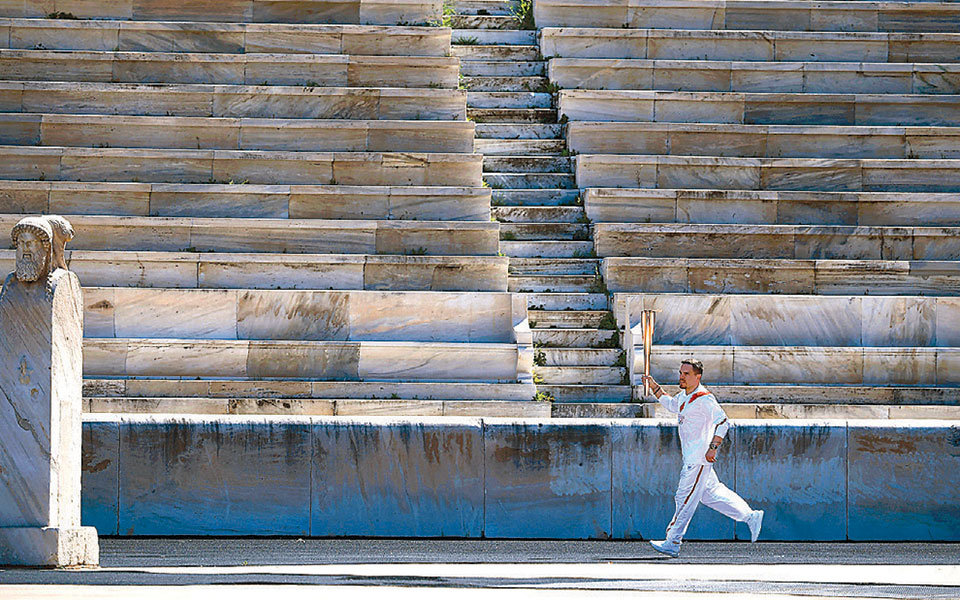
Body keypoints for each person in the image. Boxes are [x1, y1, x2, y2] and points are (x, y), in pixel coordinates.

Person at [641, 359, 763, 558]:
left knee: (683, 498)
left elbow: (723, 422)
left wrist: (713, 448)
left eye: (686, 374)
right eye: (681, 373)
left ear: (697, 377)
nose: (681, 376)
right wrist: (654, 386)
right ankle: (750, 516)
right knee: (711, 494)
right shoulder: (685, 396)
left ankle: (673, 541)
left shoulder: (705, 399)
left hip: (698, 459)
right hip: (692, 458)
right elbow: (671, 404)